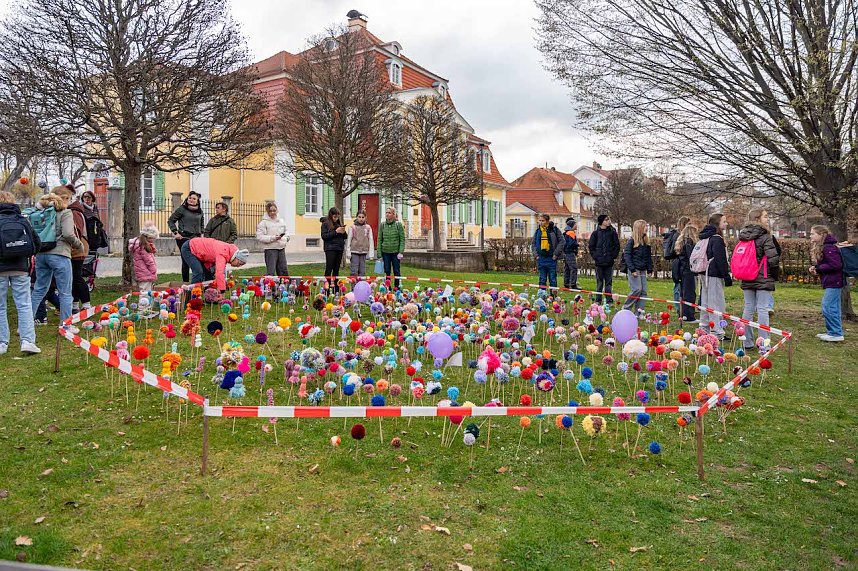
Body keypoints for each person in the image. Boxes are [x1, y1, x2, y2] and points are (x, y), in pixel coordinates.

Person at [30, 190, 82, 323]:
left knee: (39, 289)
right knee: (65, 292)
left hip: (41, 254)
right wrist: (79, 244)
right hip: (60, 254)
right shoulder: (65, 213)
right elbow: (68, 234)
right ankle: (65, 324)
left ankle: (26, 323)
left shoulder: (39, 215)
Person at [0, 191, 41, 354]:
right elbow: (36, 242)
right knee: (24, 304)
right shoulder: (22, 220)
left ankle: (2, 343)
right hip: (20, 267)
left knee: (0, 306)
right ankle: (27, 341)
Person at [737, 209, 780, 353]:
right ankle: (764, 343)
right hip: (763, 276)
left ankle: (746, 341)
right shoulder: (765, 236)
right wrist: (775, 275)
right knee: (762, 309)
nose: (768, 219)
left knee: (748, 307)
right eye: (765, 216)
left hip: (747, 274)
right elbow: (773, 258)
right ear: (757, 218)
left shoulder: (744, 235)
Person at [697, 213, 731, 339]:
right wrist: (726, 275)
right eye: (724, 221)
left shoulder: (706, 236)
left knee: (706, 302)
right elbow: (720, 259)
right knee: (715, 302)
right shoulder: (717, 239)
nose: (726, 223)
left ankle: (704, 327)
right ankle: (717, 331)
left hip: (705, 273)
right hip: (714, 274)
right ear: (717, 223)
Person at [809, 225, 845, 342]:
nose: (810, 236)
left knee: (828, 306)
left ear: (821, 235)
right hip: (832, 281)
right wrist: (817, 268)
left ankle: (836, 333)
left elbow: (836, 265)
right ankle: (833, 332)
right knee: (832, 307)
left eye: (812, 233)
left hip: (834, 281)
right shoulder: (826, 247)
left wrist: (818, 268)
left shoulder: (828, 247)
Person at [180, 236, 249, 291]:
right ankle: (193, 297)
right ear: (236, 257)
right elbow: (219, 273)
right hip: (189, 248)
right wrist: (222, 291)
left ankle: (209, 297)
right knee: (198, 272)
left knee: (209, 275)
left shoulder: (227, 252)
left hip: (201, 253)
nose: (238, 266)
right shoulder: (223, 253)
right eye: (239, 263)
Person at [65, 187, 91, 312]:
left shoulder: (74, 212)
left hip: (77, 249)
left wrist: (75, 245)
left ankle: (86, 303)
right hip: (75, 248)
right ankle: (75, 304)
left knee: (76, 277)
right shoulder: (73, 211)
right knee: (73, 277)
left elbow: (76, 232)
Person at [167, 191, 204, 281]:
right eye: (190, 198)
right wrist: (176, 232)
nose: (191, 200)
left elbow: (201, 224)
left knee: (199, 259)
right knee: (186, 260)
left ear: (197, 201)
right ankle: (186, 282)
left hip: (196, 238)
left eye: (194, 199)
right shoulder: (182, 209)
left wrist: (202, 234)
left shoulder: (200, 211)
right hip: (183, 237)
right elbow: (171, 220)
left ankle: (199, 280)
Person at [621, 219, 653, 313]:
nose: (647, 228)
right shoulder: (632, 241)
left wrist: (649, 269)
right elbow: (627, 256)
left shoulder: (646, 242)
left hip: (643, 269)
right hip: (634, 269)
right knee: (637, 289)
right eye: (645, 226)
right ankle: (626, 309)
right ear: (639, 228)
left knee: (643, 291)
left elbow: (648, 257)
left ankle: (639, 312)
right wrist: (632, 269)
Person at [588, 214, 620, 304]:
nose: (608, 221)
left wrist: (613, 256)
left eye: (609, 219)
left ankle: (609, 300)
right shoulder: (595, 233)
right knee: (599, 282)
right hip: (599, 262)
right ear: (601, 221)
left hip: (609, 262)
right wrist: (596, 256)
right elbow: (591, 246)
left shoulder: (612, 233)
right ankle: (598, 300)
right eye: (606, 220)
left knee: (608, 282)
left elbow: (616, 245)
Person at [532, 213, 564, 294]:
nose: (541, 222)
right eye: (539, 220)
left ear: (547, 221)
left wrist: (556, 254)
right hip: (541, 258)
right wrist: (536, 255)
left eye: (543, 221)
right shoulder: (538, 231)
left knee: (553, 279)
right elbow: (533, 243)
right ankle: (542, 295)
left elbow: (562, 241)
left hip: (551, 258)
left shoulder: (554, 230)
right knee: (542, 279)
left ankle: (553, 296)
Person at [256, 202, 290, 276]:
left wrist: (286, 238)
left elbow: (286, 231)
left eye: (274, 210)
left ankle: (285, 283)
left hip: (281, 248)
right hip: (270, 249)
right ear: (267, 211)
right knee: (271, 271)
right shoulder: (263, 223)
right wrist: (273, 238)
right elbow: (260, 237)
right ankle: (271, 284)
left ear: (277, 210)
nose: (272, 212)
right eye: (270, 211)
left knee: (283, 271)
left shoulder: (281, 221)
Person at [674, 224, 698, 323]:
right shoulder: (689, 243)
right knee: (689, 293)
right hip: (688, 270)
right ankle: (689, 316)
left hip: (682, 270)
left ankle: (684, 314)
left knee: (684, 293)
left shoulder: (681, 242)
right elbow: (691, 257)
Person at [663, 216, 691, 304]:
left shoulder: (684, 236)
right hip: (678, 262)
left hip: (681, 262)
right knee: (678, 285)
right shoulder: (677, 235)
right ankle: (678, 306)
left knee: (682, 286)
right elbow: (673, 250)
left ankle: (682, 304)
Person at [377, 207, 405, 289]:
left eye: (389, 213)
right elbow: (379, 239)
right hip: (385, 252)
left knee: (396, 271)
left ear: (393, 214)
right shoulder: (382, 225)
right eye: (386, 212)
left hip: (396, 252)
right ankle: (387, 287)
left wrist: (401, 251)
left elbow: (402, 239)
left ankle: (397, 287)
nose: (387, 214)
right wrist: (379, 253)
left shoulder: (398, 225)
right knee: (387, 271)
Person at [321, 207, 347, 290]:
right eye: (335, 217)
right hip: (330, 249)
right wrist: (336, 232)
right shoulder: (325, 223)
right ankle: (327, 287)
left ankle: (336, 288)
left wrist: (343, 231)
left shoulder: (338, 223)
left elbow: (345, 236)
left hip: (339, 248)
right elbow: (324, 236)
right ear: (331, 215)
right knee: (329, 268)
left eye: (337, 217)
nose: (336, 218)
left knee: (336, 269)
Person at [130, 221, 159, 292]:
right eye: (153, 238)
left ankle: (145, 299)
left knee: (145, 291)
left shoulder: (140, 244)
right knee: (145, 292)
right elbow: (149, 261)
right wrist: (154, 271)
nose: (154, 240)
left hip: (142, 272)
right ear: (148, 237)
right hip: (146, 273)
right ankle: (144, 300)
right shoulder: (143, 247)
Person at [346, 210, 374, 277]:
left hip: (363, 251)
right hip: (354, 251)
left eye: (363, 217)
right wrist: (348, 252)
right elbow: (349, 240)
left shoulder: (368, 228)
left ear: (365, 217)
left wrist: (371, 254)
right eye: (359, 217)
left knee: (362, 271)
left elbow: (371, 240)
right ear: (356, 217)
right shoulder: (352, 227)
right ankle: (354, 283)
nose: (361, 219)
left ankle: (361, 284)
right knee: (354, 270)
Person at [562, 217, 579, 290]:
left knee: (567, 268)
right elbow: (571, 244)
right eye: (575, 224)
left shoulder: (566, 232)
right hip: (570, 253)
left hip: (565, 253)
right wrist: (577, 245)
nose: (576, 225)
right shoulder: (571, 233)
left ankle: (566, 283)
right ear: (572, 225)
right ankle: (573, 284)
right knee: (573, 268)